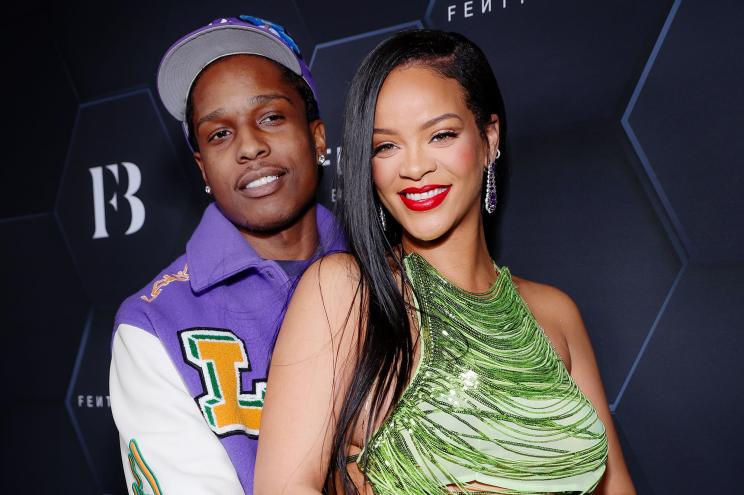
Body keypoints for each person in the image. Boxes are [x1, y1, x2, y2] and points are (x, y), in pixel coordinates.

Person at [254, 29, 635, 494]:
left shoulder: (556, 314)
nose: (414, 167)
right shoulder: (344, 291)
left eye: (441, 134)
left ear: (489, 137)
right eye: (386, 146)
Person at [109, 15, 344, 494]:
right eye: (219, 133)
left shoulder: (394, 274)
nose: (250, 147)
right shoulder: (152, 324)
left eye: (271, 117)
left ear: (317, 135)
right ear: (202, 167)